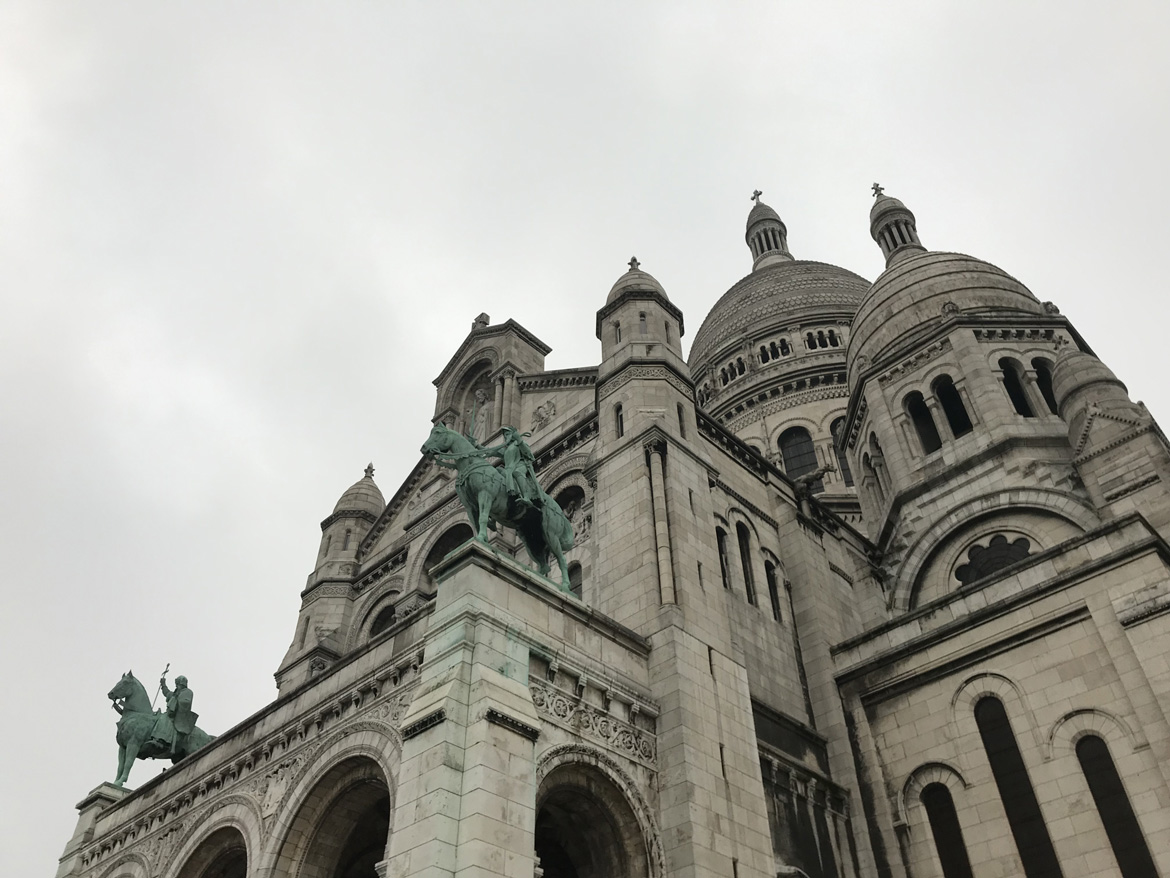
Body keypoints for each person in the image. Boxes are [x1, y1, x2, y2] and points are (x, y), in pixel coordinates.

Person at [157, 674, 198, 758]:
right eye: (177, 684)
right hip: (171, 714)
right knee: (162, 717)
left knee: (165, 719)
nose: (177, 686)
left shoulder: (187, 692)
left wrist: (176, 700)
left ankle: (163, 740)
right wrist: (163, 684)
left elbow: (186, 702)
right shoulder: (176, 693)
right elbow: (167, 693)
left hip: (180, 717)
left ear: (182, 684)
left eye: (178, 684)